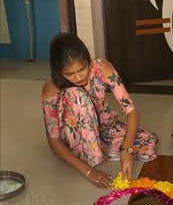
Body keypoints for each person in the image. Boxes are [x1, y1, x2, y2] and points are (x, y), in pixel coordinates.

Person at [42, 33, 158, 188]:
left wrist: (127, 149)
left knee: (148, 142)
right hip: (76, 139)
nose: (78, 77)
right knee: (76, 93)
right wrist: (89, 172)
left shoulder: (101, 68)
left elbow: (132, 112)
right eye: (69, 74)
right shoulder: (51, 88)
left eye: (82, 69)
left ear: (88, 59)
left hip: (104, 128)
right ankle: (89, 153)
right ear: (59, 72)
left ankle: (100, 150)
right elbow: (54, 142)